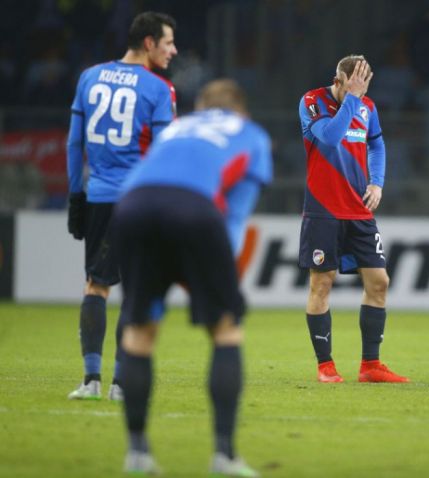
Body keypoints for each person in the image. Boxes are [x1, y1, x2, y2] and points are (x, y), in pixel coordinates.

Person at [113, 79, 271, 475]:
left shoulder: (176, 127)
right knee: (225, 330)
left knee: (139, 331)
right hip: (194, 208)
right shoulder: (250, 134)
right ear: (242, 110)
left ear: (199, 108)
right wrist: (221, 279)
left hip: (131, 206)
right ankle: (224, 455)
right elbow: (233, 219)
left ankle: (137, 453)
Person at [66, 11, 178, 401]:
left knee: (96, 286)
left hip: (97, 197)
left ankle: (90, 380)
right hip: (138, 201)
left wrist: (75, 195)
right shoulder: (158, 89)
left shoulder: (89, 77)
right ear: (148, 43)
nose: (173, 50)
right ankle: (120, 384)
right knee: (137, 291)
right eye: (167, 43)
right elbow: (164, 153)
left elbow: (74, 144)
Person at [298, 54, 409, 383]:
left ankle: (370, 366)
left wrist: (377, 181)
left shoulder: (367, 107)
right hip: (323, 210)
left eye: (365, 86)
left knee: (379, 282)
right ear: (338, 81)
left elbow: (378, 144)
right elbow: (330, 138)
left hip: (359, 210)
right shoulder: (312, 102)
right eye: (354, 86)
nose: (361, 92)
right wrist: (353, 100)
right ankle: (325, 366)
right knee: (322, 283)